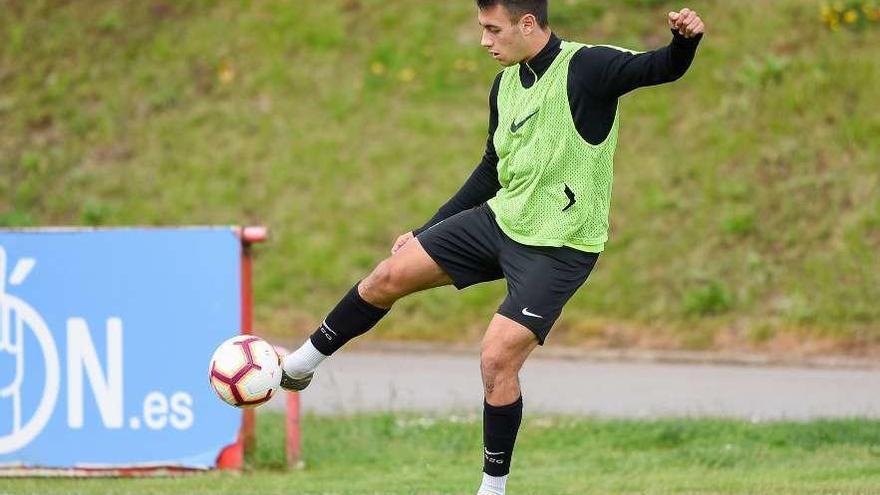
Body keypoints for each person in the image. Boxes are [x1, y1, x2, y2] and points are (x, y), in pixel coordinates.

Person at [281, 1, 704, 493]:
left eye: (492, 29)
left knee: (496, 359)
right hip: (503, 220)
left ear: (528, 24)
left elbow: (661, 67)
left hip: (559, 247)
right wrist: (426, 230)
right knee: (387, 275)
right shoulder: (504, 85)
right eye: (482, 29)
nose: (484, 40)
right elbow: (490, 169)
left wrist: (684, 40)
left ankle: (492, 488)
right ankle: (300, 365)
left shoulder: (588, 67)